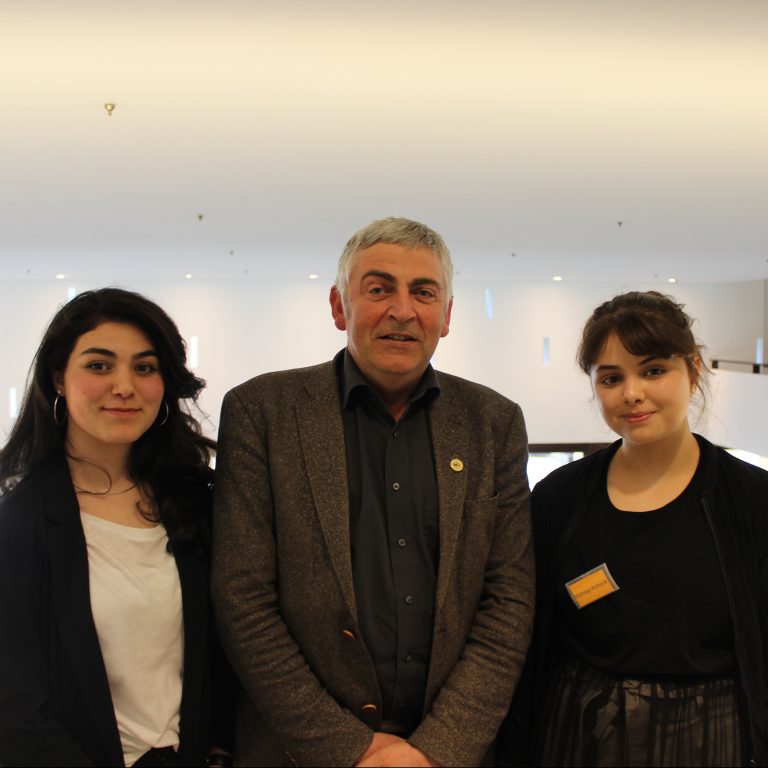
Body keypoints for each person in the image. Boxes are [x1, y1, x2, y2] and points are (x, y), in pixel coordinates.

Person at [212, 217, 534, 767]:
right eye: (379, 289)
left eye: (424, 292)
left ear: (447, 316)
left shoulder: (493, 423)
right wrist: (351, 750)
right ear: (339, 307)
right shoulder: (261, 412)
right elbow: (242, 600)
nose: (402, 311)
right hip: (297, 752)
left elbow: (509, 602)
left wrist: (439, 749)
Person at [500, 291, 768, 767]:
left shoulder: (751, 498)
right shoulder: (560, 496)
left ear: (693, 371)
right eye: (611, 378)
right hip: (574, 731)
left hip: (711, 736)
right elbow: (529, 630)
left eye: (653, 370)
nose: (632, 393)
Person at [0, 288, 235, 767]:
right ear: (58, 379)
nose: (124, 386)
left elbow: (224, 656)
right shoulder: (17, 525)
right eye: (99, 365)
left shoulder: (197, 503)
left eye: (145, 368)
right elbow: (14, 709)